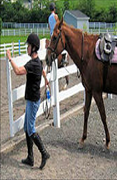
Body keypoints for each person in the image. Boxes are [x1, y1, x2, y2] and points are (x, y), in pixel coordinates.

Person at [6, 33, 50, 170]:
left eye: (29, 46)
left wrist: (9, 58)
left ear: (34, 47)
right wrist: (46, 78)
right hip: (32, 99)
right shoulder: (38, 63)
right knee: (26, 127)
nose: (27, 48)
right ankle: (30, 157)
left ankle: (44, 153)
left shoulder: (32, 64)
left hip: (32, 101)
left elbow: (18, 71)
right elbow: (42, 71)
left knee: (30, 129)